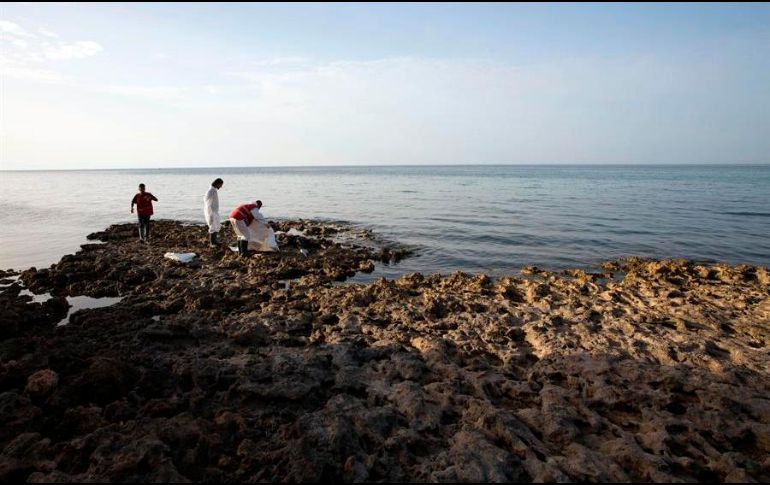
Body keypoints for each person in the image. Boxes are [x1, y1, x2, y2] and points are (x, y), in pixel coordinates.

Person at [204, 178, 224, 246]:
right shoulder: (211, 191)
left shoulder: (213, 190)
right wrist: (211, 213)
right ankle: (212, 242)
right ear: (217, 183)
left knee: (216, 226)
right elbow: (208, 203)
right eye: (221, 185)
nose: (221, 187)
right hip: (212, 211)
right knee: (213, 226)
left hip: (214, 211)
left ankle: (214, 241)